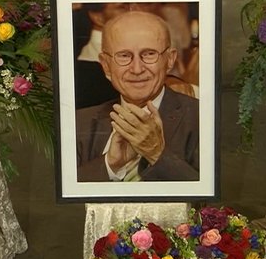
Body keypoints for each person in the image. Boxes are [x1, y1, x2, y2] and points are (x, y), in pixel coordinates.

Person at [76, 11, 199, 182]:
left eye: (149, 54)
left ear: (170, 60)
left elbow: (213, 201)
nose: (137, 69)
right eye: (124, 56)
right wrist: (110, 164)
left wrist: (156, 154)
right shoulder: (79, 124)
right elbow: (58, 200)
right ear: (106, 65)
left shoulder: (201, 118)